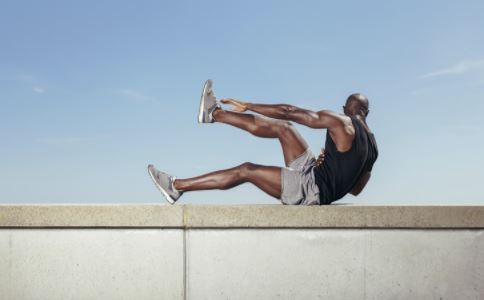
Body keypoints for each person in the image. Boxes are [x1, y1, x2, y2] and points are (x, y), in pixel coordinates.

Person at [148, 80, 378, 205]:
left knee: (247, 170)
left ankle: (176, 187)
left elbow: (289, 111)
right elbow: (356, 190)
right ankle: (214, 114)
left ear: (345, 109)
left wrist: (249, 105)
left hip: (311, 190)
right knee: (284, 129)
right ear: (366, 112)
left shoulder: (341, 121)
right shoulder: (373, 148)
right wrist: (335, 169)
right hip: (316, 175)